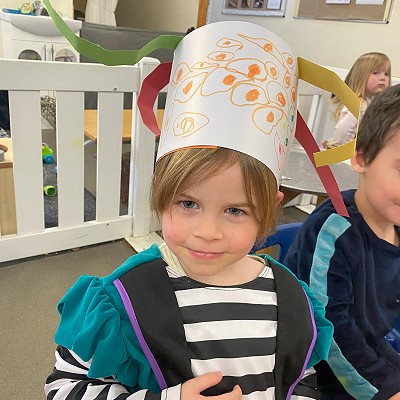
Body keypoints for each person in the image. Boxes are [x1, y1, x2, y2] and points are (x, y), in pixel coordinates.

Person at [44, 21, 336, 400]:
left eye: (235, 210)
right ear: (161, 196)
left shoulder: (291, 299)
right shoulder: (121, 301)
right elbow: (65, 389)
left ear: (268, 210)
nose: (207, 230)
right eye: (188, 203)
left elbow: (303, 381)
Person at [284, 84, 400, 399]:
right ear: (360, 159)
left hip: (371, 350)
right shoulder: (332, 232)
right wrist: (386, 390)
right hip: (310, 371)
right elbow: (328, 332)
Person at [322, 52, 391, 149]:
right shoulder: (358, 104)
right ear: (360, 76)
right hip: (347, 154)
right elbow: (344, 128)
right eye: (376, 73)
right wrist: (335, 145)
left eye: (386, 74)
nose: (383, 78)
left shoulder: (370, 102)